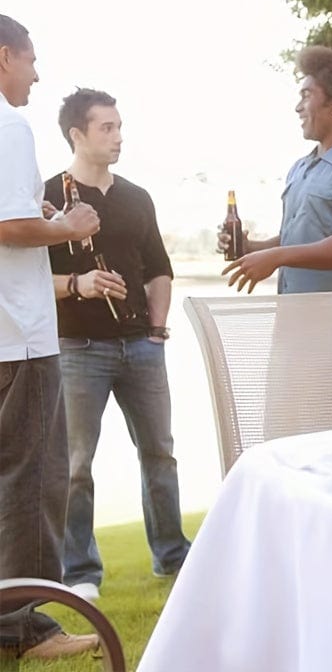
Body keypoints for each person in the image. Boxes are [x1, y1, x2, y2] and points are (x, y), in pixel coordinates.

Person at [44, 88, 191, 603]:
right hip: (77, 348)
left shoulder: (136, 197)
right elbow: (28, 280)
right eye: (106, 128)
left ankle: (173, 557)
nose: (118, 136)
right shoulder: (47, 199)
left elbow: (159, 270)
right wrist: (78, 285)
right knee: (76, 463)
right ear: (76, 135)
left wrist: (156, 329)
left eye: (119, 126)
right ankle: (80, 573)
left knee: (160, 454)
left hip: (142, 348)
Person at [0, 15, 101, 660]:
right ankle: (26, 629)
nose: (36, 74)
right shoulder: (9, 125)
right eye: (30, 60)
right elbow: (9, 227)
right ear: (4, 56)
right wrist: (68, 224)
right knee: (31, 482)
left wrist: (33, 213)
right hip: (21, 337)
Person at [222, 45, 332, 293]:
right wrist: (252, 249)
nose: (298, 107)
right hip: (293, 314)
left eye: (306, 95)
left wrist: (278, 257)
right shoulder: (301, 168)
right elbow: (298, 239)